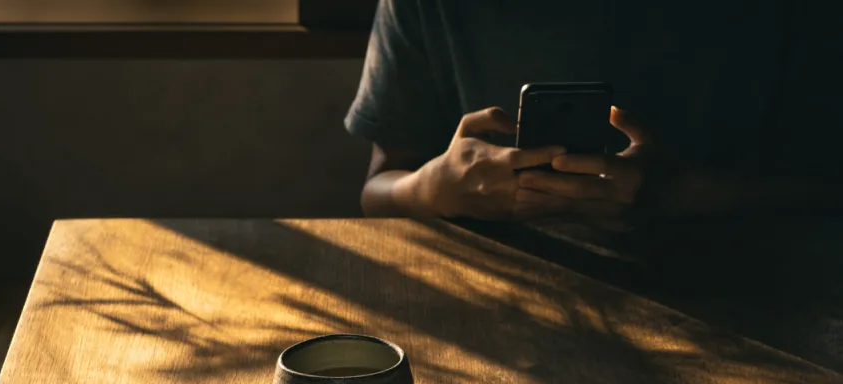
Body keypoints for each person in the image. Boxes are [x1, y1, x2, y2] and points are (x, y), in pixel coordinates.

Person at [344, 1, 842, 224]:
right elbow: (377, 190)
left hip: (746, 305)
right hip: (495, 309)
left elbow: (824, 193)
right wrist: (434, 189)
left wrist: (675, 195)